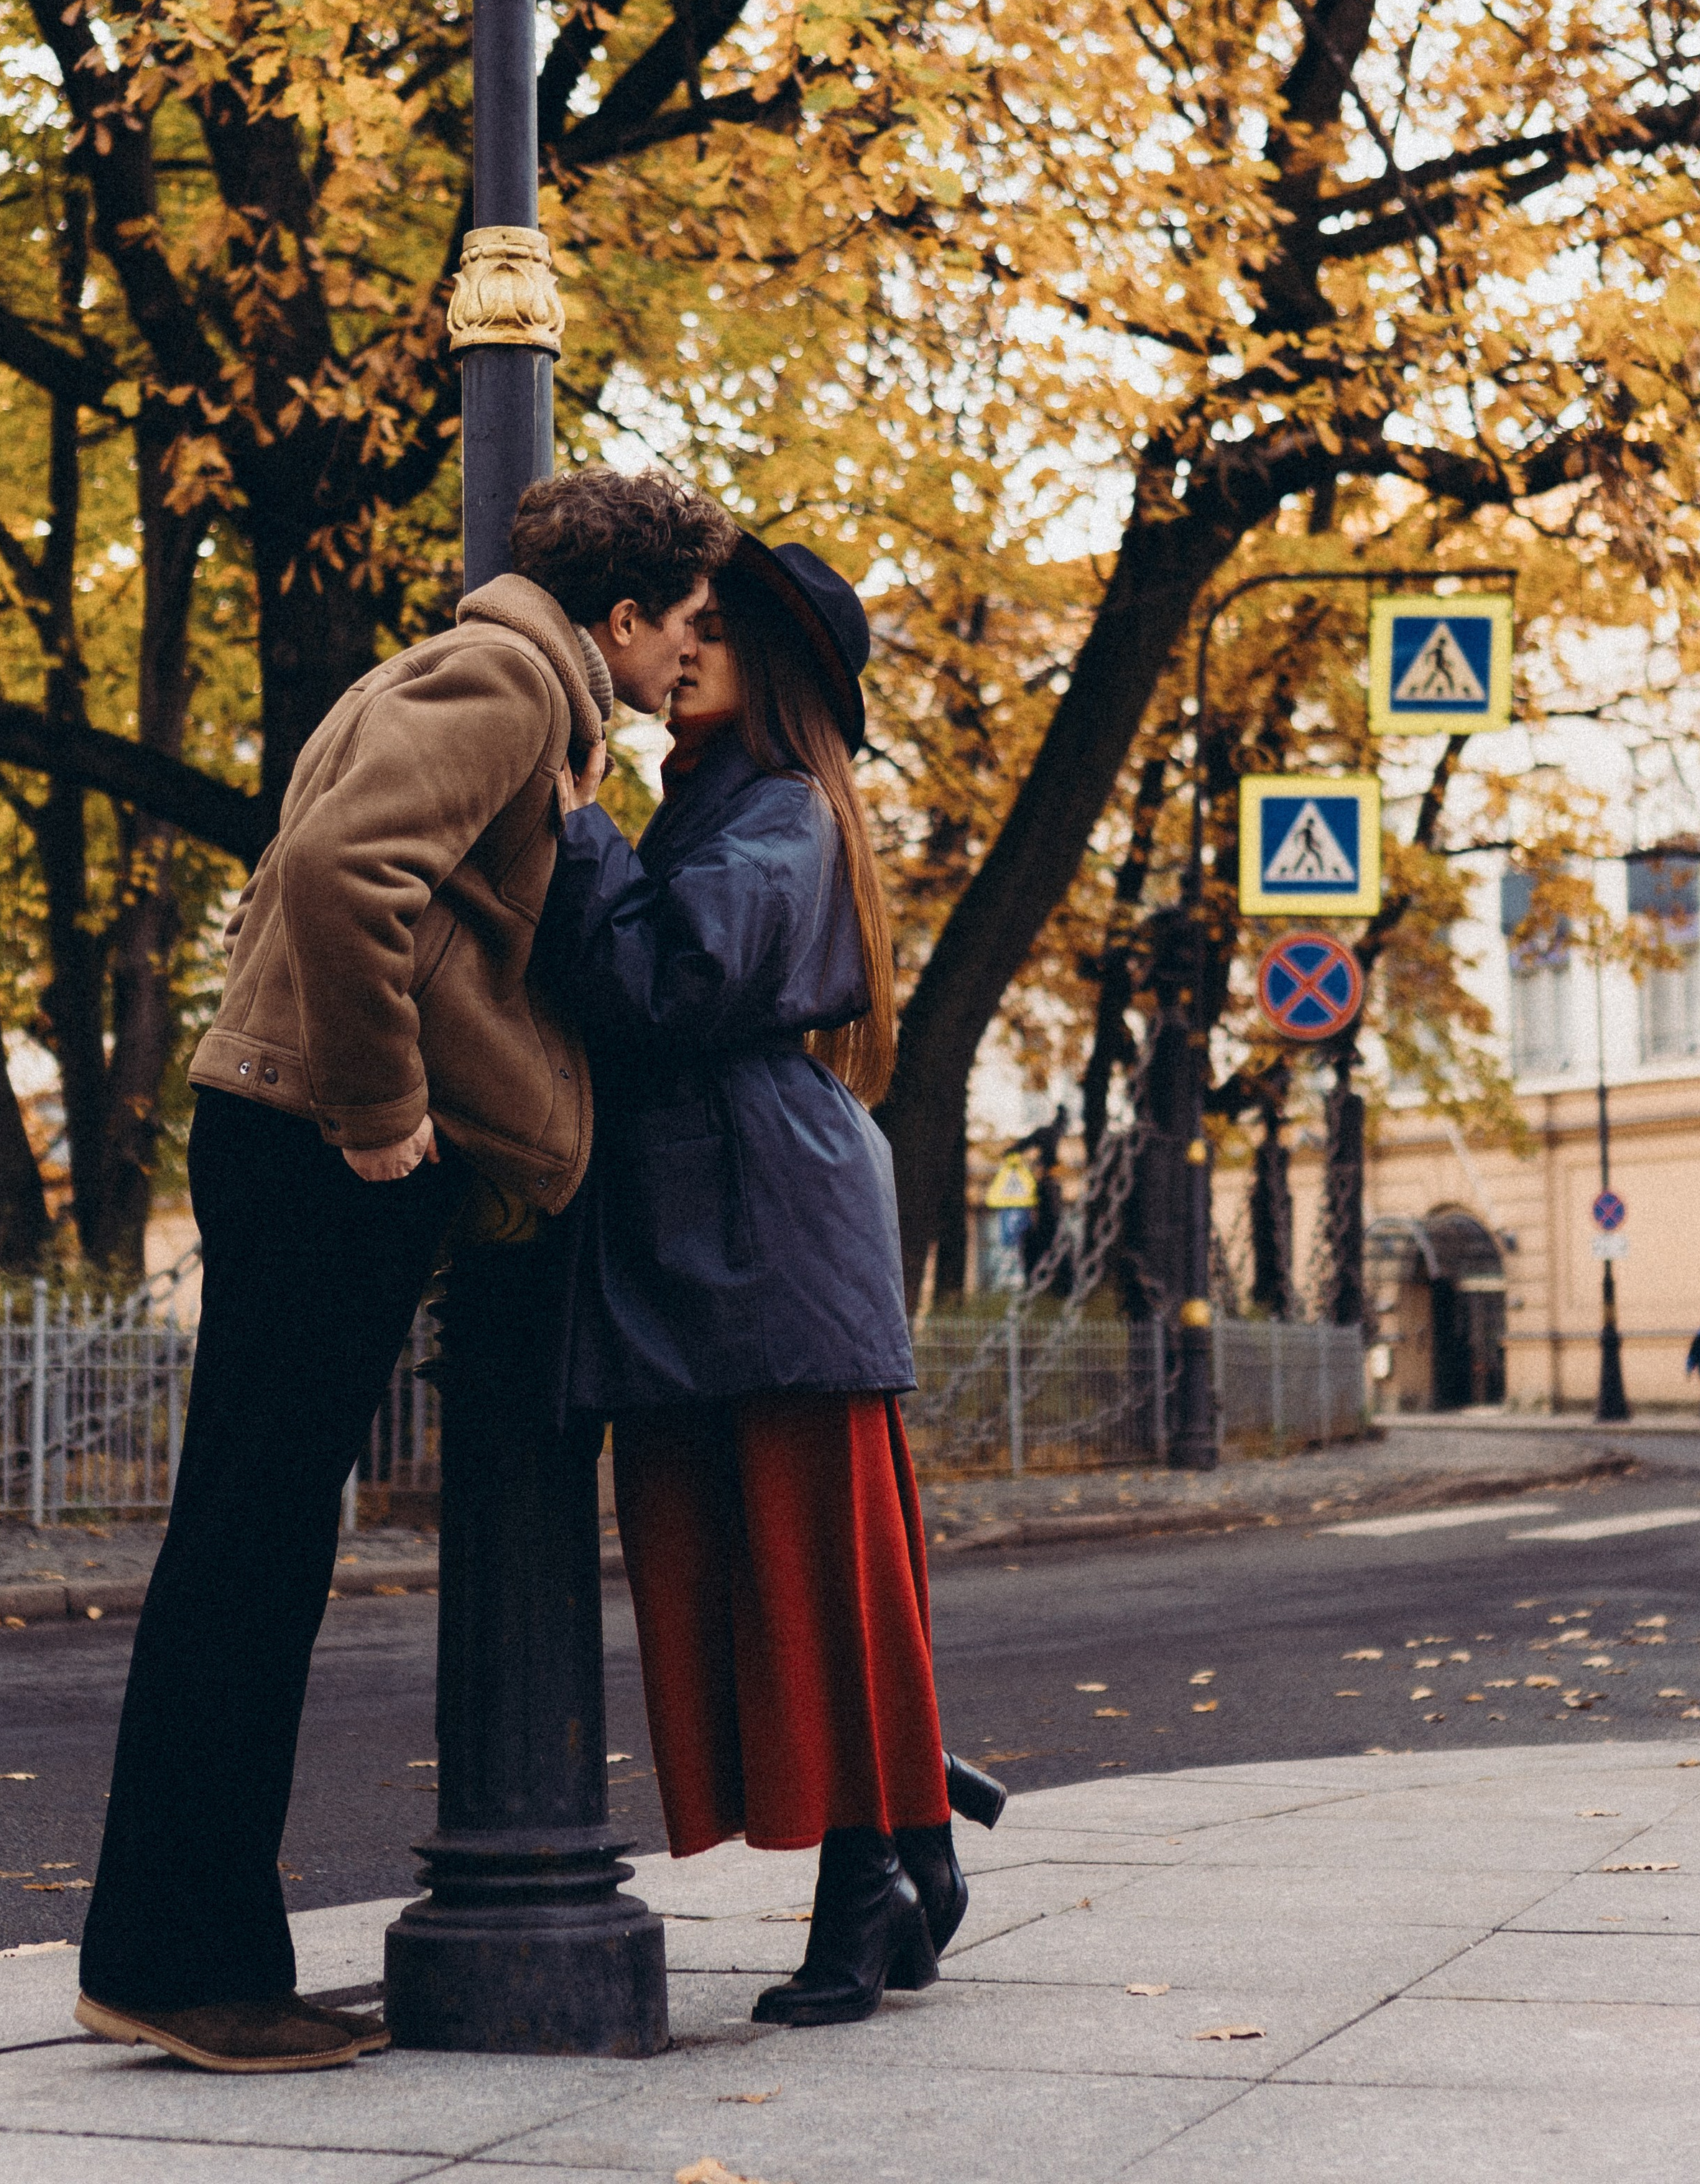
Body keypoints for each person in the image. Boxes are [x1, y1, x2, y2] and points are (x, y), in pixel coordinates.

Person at [75, 466, 734, 2076]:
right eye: (684, 631)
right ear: (624, 616)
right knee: (251, 1547)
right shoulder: (510, 676)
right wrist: (380, 1116)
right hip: (318, 1141)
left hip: (286, 1128)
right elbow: (338, 878)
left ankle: (174, 1950)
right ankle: (181, 1964)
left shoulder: (466, 675)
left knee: (252, 1536)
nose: (684, 664)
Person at [538, 535, 1004, 2032]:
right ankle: (913, 1832)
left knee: (814, 1571)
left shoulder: (784, 812)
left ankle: (869, 1884)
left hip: (768, 1234)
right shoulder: (713, 808)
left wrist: (578, 827)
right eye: (682, 625)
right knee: (738, 1575)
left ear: (775, 671)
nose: (682, 648)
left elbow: (658, 984)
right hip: (709, 1231)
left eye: (715, 631)